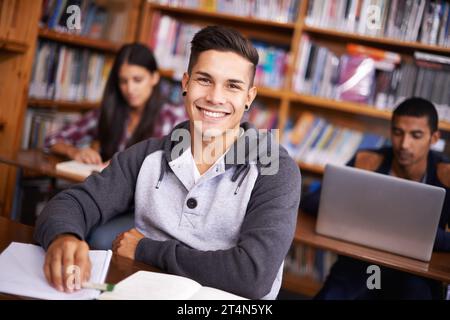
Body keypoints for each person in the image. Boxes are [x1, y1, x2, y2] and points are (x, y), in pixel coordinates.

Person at [34, 26, 301, 299]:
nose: (215, 97)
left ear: (249, 97)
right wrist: (63, 237)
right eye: (204, 80)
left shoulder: (275, 169)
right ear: (186, 84)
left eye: (232, 85)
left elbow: (252, 276)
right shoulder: (148, 155)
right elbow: (72, 203)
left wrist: (145, 249)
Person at [301, 97, 450, 299]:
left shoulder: (446, 175)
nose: (405, 144)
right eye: (398, 133)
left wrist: (425, 234)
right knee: (334, 294)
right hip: (362, 263)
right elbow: (314, 200)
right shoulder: (368, 160)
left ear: (433, 139)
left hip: (416, 273)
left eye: (416, 135)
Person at [45, 43, 187, 164]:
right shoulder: (108, 112)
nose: (130, 89)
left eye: (137, 80)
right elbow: (53, 139)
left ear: (154, 78)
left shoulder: (174, 117)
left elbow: (180, 167)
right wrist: (75, 152)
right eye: (123, 81)